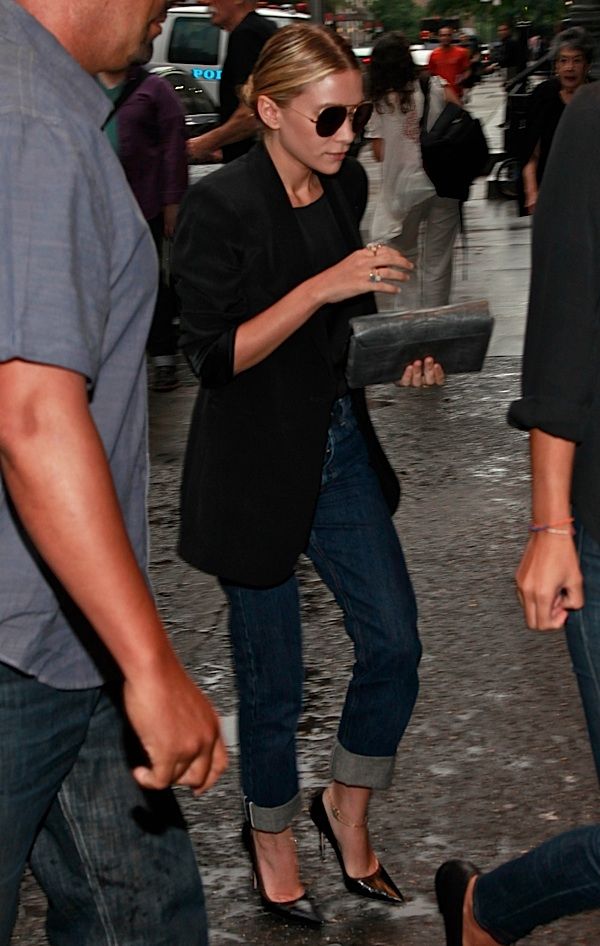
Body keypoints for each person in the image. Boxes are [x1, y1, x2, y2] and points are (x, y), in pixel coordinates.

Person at [173, 23, 443, 929]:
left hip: (337, 449)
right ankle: (273, 838)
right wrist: (321, 286)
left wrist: (401, 356)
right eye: (330, 117)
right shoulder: (221, 207)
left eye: (355, 115)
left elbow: (341, 334)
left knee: (395, 645)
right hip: (252, 469)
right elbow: (212, 356)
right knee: (274, 683)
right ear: (270, 110)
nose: (347, 133)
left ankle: (345, 806)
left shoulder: (345, 184)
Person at [0, 0, 227, 942]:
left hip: (62, 630)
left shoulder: (41, 100)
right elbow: (30, 413)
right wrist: (149, 662)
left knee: (146, 920)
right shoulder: (31, 117)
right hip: (23, 643)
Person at [435, 80, 600, 945]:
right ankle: (489, 910)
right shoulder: (596, 122)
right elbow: (566, 324)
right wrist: (550, 526)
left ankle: (488, 910)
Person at [98, 8, 188, 392]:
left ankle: (163, 357)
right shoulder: (83, 86)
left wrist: (172, 202)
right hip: (98, 206)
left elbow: (173, 149)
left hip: (144, 205)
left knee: (150, 281)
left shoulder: (154, 90)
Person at [366, 31, 461, 311]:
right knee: (438, 260)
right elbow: (460, 115)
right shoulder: (433, 85)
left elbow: (379, 153)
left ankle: (409, 319)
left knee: (404, 258)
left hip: (403, 189)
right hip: (443, 182)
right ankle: (436, 316)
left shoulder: (380, 102)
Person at [186, 0, 276, 163]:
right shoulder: (261, 29)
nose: (208, 2)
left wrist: (200, 145)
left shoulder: (247, 34)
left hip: (255, 165)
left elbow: (251, 114)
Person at [521, 26, 593, 214]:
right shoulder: (543, 96)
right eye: (564, 60)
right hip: (551, 192)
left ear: (587, 66)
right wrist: (532, 192)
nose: (570, 67)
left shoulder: (595, 97)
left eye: (577, 61)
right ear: (556, 66)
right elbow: (531, 153)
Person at [428, 25, 471, 101]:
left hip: (456, 94)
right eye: (443, 35)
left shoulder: (462, 52)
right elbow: (431, 74)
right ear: (439, 37)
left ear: (452, 37)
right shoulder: (433, 54)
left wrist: (462, 79)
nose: (446, 38)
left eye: (448, 35)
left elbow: (468, 70)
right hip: (439, 95)